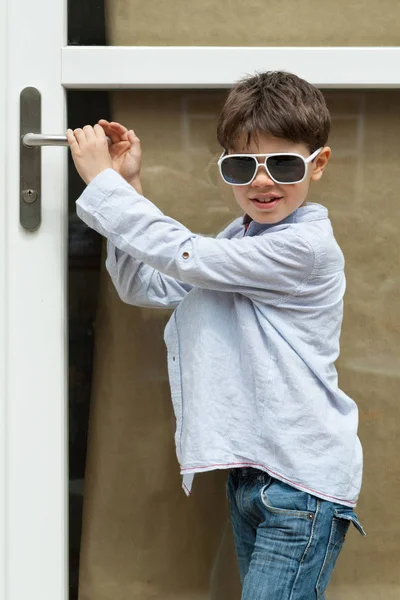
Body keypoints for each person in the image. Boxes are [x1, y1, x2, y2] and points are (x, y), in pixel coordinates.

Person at [67, 71, 366, 600]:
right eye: (241, 165)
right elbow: (149, 283)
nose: (262, 181)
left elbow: (186, 255)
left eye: (284, 164)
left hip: (300, 481)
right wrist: (129, 187)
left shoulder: (305, 247)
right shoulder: (244, 239)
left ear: (317, 164)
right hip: (256, 473)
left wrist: (104, 186)